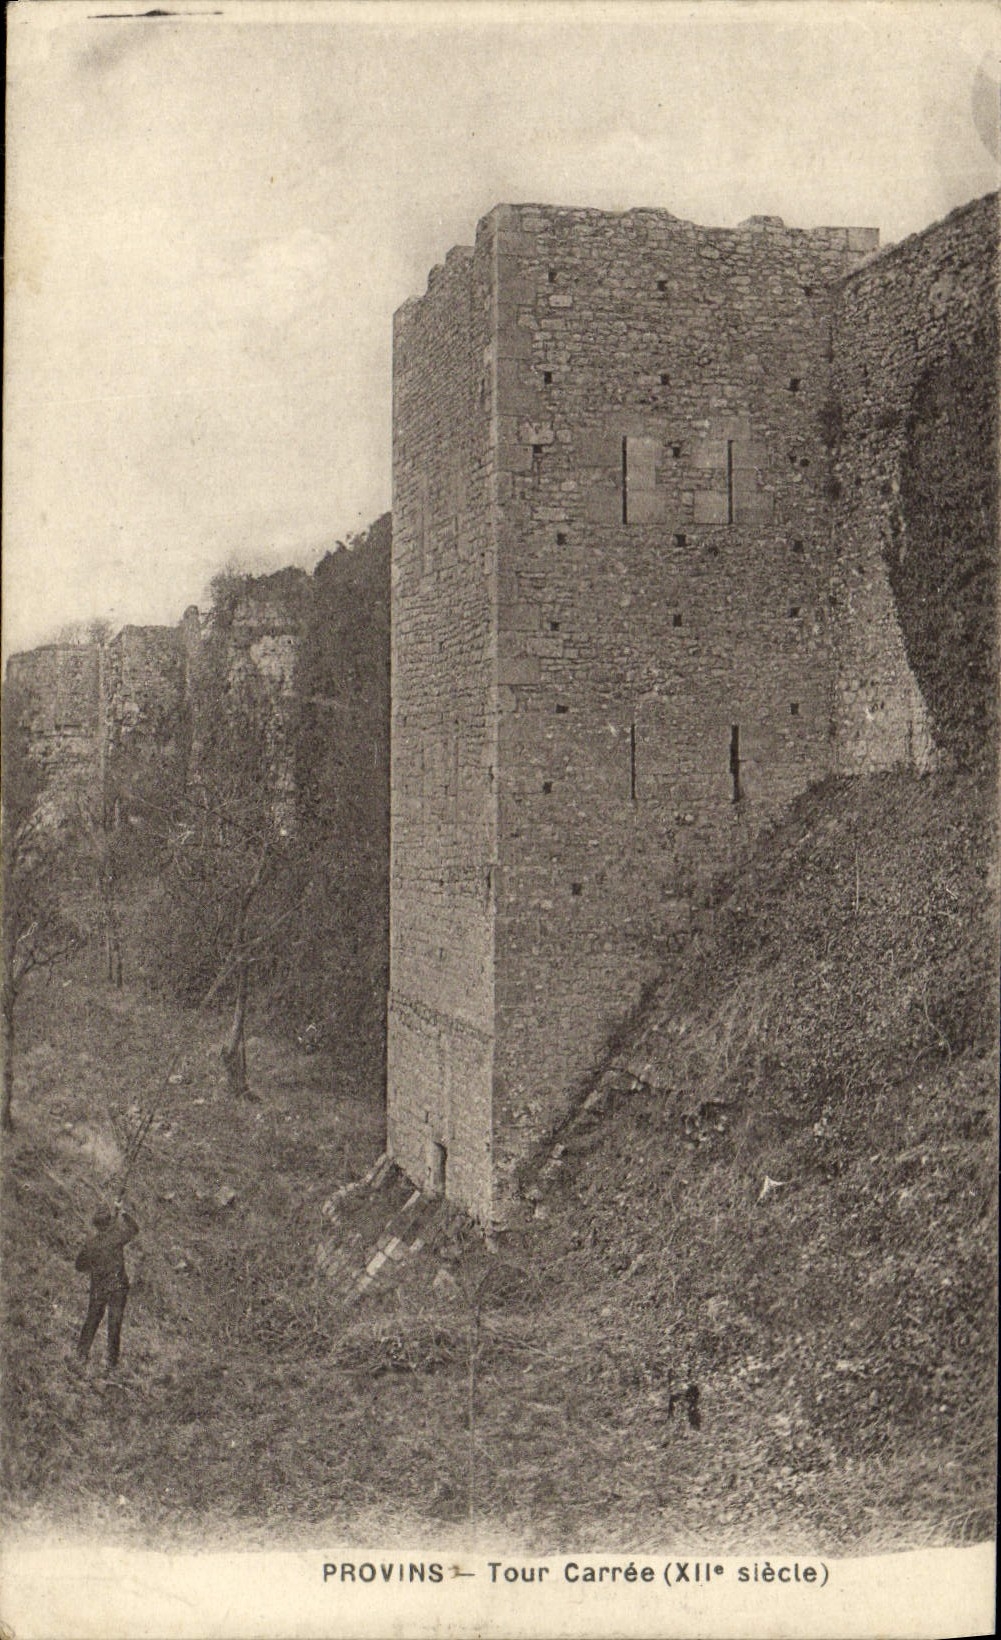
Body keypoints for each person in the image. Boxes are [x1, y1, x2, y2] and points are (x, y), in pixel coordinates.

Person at [75, 1201, 139, 1370]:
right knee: (114, 1324)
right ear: (109, 1222)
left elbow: (79, 1266)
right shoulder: (116, 1236)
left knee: (92, 1320)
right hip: (118, 1287)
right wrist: (124, 1212)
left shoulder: (91, 1244)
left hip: (99, 1288)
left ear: (96, 1225)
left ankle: (81, 1355)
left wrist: (94, 1267)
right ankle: (111, 1362)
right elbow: (134, 1229)